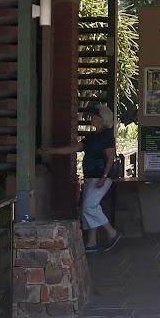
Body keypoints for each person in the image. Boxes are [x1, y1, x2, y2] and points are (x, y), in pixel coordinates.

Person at [41, 104, 122, 252]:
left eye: (94, 116)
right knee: (90, 207)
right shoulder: (90, 137)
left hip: (102, 176)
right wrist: (50, 151)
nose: (91, 118)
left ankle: (112, 233)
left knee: (89, 206)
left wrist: (104, 177)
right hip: (90, 176)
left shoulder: (107, 136)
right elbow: (73, 149)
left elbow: (111, 157)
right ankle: (92, 242)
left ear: (101, 119)